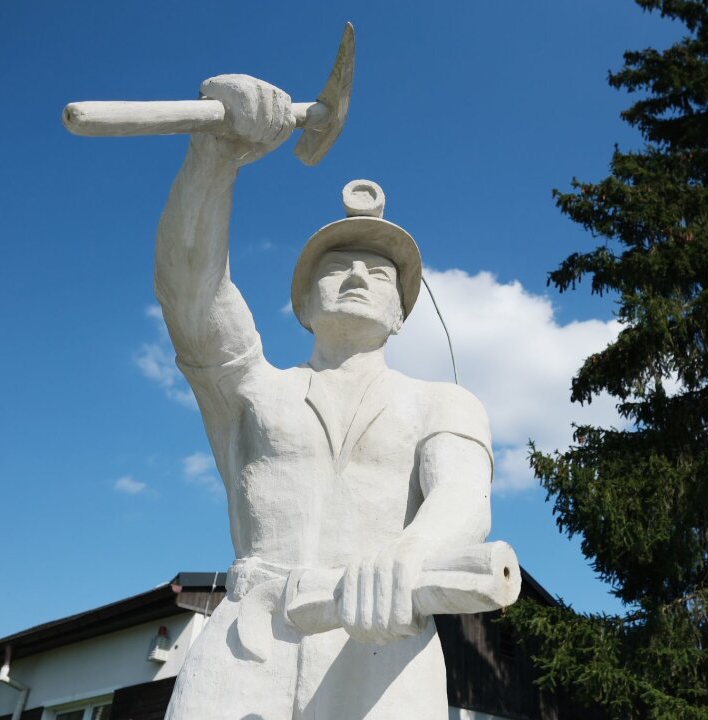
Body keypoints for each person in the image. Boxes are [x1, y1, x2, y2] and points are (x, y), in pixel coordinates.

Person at [156, 74, 494, 719]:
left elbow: (462, 498)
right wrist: (215, 157)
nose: (359, 275)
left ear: (401, 315)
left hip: (381, 641)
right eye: (337, 268)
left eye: (379, 272)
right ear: (304, 305)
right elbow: (190, 294)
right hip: (248, 638)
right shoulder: (252, 390)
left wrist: (406, 557)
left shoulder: (444, 403)